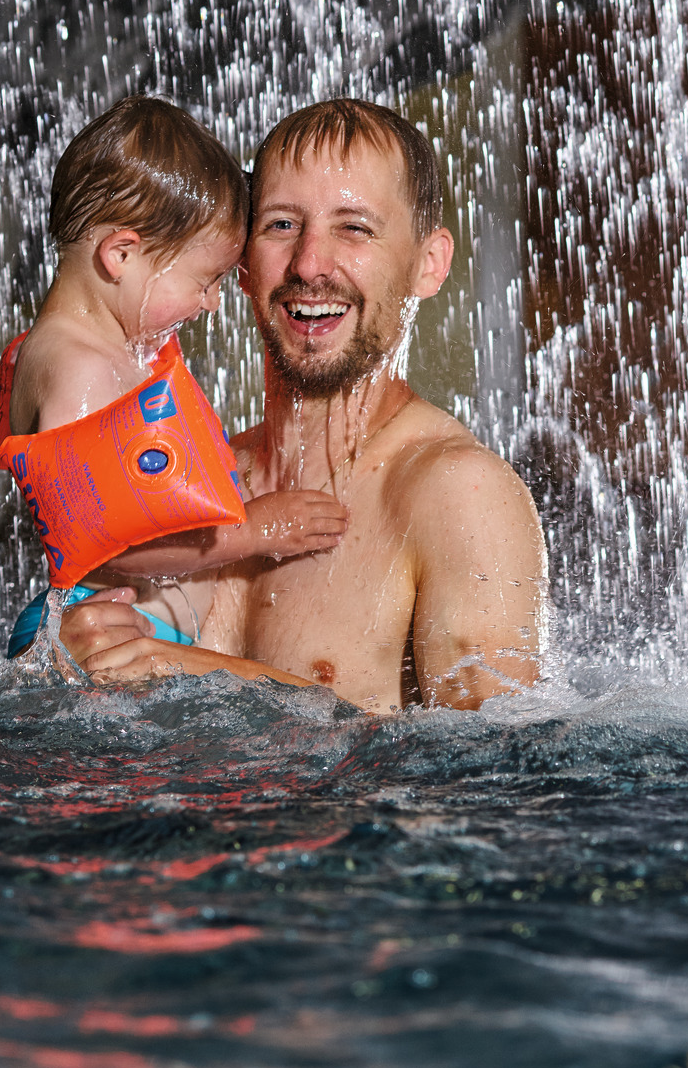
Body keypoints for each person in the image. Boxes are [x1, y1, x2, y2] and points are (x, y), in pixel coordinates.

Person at [60, 99, 548, 710]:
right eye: (282, 225)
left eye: (354, 228)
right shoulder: (183, 476)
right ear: (240, 262)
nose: (311, 263)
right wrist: (71, 656)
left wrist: (197, 671)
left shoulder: (457, 496)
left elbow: (497, 773)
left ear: (430, 265)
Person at [0, 97, 349, 653]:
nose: (211, 303)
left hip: (124, 636)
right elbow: (106, 543)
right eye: (204, 279)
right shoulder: (79, 367)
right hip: (104, 641)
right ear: (121, 254)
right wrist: (254, 529)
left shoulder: (86, 351)